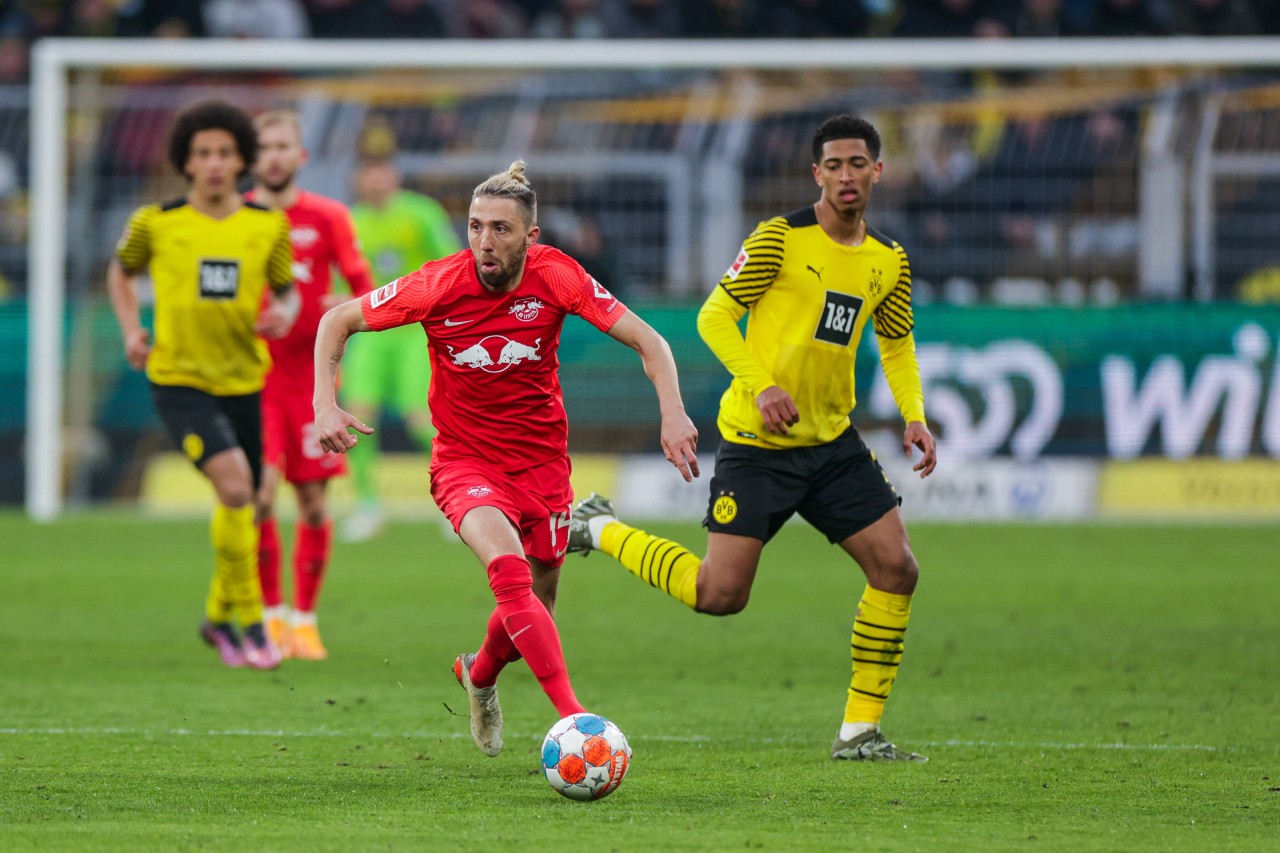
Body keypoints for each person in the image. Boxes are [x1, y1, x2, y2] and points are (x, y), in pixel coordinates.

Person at [568, 114, 938, 762]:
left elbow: (897, 341)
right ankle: (598, 527)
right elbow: (714, 315)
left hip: (831, 444)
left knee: (897, 567)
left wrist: (914, 413)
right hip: (758, 442)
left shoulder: (888, 259)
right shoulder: (778, 240)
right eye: (834, 165)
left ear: (878, 171)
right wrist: (761, 383)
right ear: (815, 173)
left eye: (858, 164)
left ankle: (859, 731)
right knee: (720, 595)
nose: (846, 176)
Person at [313, 160, 699, 757]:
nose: (484, 242)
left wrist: (672, 412)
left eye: (500, 229)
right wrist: (326, 404)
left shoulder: (557, 276)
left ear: (531, 237)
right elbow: (337, 320)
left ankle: (480, 674)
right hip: (464, 461)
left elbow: (651, 340)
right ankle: (576, 721)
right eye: (474, 227)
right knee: (510, 575)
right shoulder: (438, 283)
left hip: (543, 464)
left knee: (533, 611)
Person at [107, 99, 299, 670]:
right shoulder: (155, 222)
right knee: (239, 488)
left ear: (241, 160)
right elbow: (120, 271)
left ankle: (215, 619)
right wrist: (130, 331)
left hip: (245, 379)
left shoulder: (268, 225)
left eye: (224, 153)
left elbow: (285, 289)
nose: (214, 163)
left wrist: (285, 312)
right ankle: (250, 623)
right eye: (202, 154)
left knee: (255, 500)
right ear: (185, 163)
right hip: (180, 381)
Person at [247, 109, 376, 660]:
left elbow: (366, 290)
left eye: (283, 146)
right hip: (249, 381)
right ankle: (271, 616)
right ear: (251, 159)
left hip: (309, 384)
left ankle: (304, 620)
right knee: (257, 498)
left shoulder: (328, 216)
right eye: (264, 147)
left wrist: (337, 308)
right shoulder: (234, 220)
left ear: (300, 156)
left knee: (314, 505)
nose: (273, 156)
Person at [340, 150, 462, 542]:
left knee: (421, 421)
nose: (376, 181)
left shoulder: (420, 213)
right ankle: (367, 505)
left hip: (414, 331)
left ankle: (452, 502)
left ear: (393, 176)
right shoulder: (349, 222)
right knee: (354, 416)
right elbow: (338, 281)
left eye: (382, 172)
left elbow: (451, 263)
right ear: (360, 179)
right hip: (369, 333)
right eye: (369, 173)